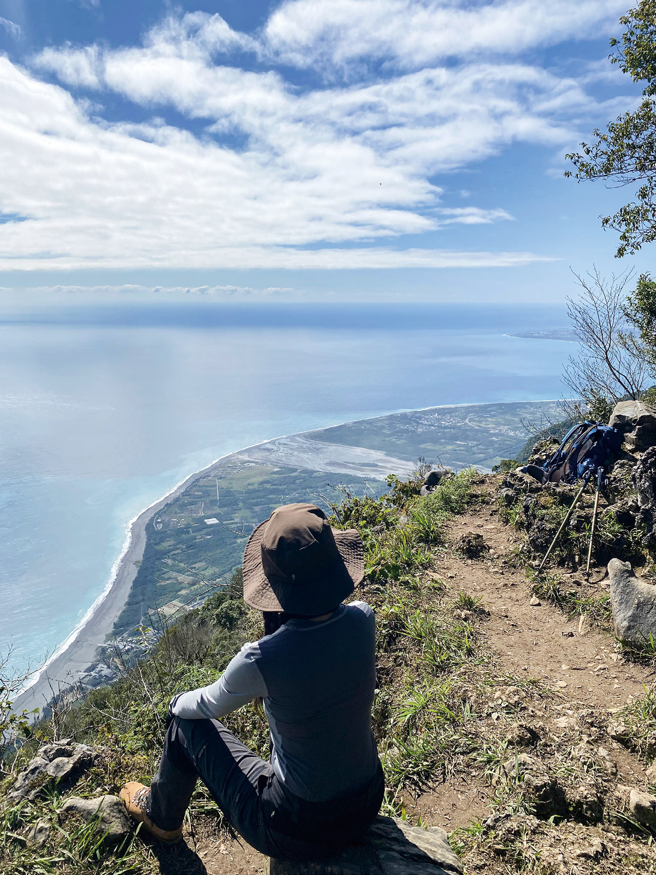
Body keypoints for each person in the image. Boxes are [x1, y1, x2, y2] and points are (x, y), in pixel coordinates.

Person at [119, 502, 384, 861]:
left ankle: (159, 817)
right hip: (367, 801)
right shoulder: (362, 619)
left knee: (184, 726)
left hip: (296, 829)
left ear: (274, 589)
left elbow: (204, 706)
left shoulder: (263, 658)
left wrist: (173, 703)